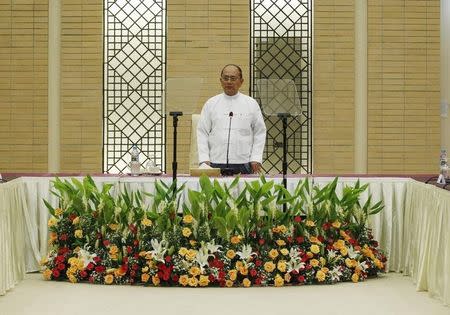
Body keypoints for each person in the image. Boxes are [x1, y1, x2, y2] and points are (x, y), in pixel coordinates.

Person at [197, 64, 267, 174]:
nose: (229, 82)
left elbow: (260, 132)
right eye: (225, 78)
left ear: (241, 81)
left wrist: (256, 158)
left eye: (233, 78)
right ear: (220, 80)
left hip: (244, 163)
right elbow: (202, 132)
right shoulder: (211, 103)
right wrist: (204, 159)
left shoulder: (251, 104)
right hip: (215, 162)